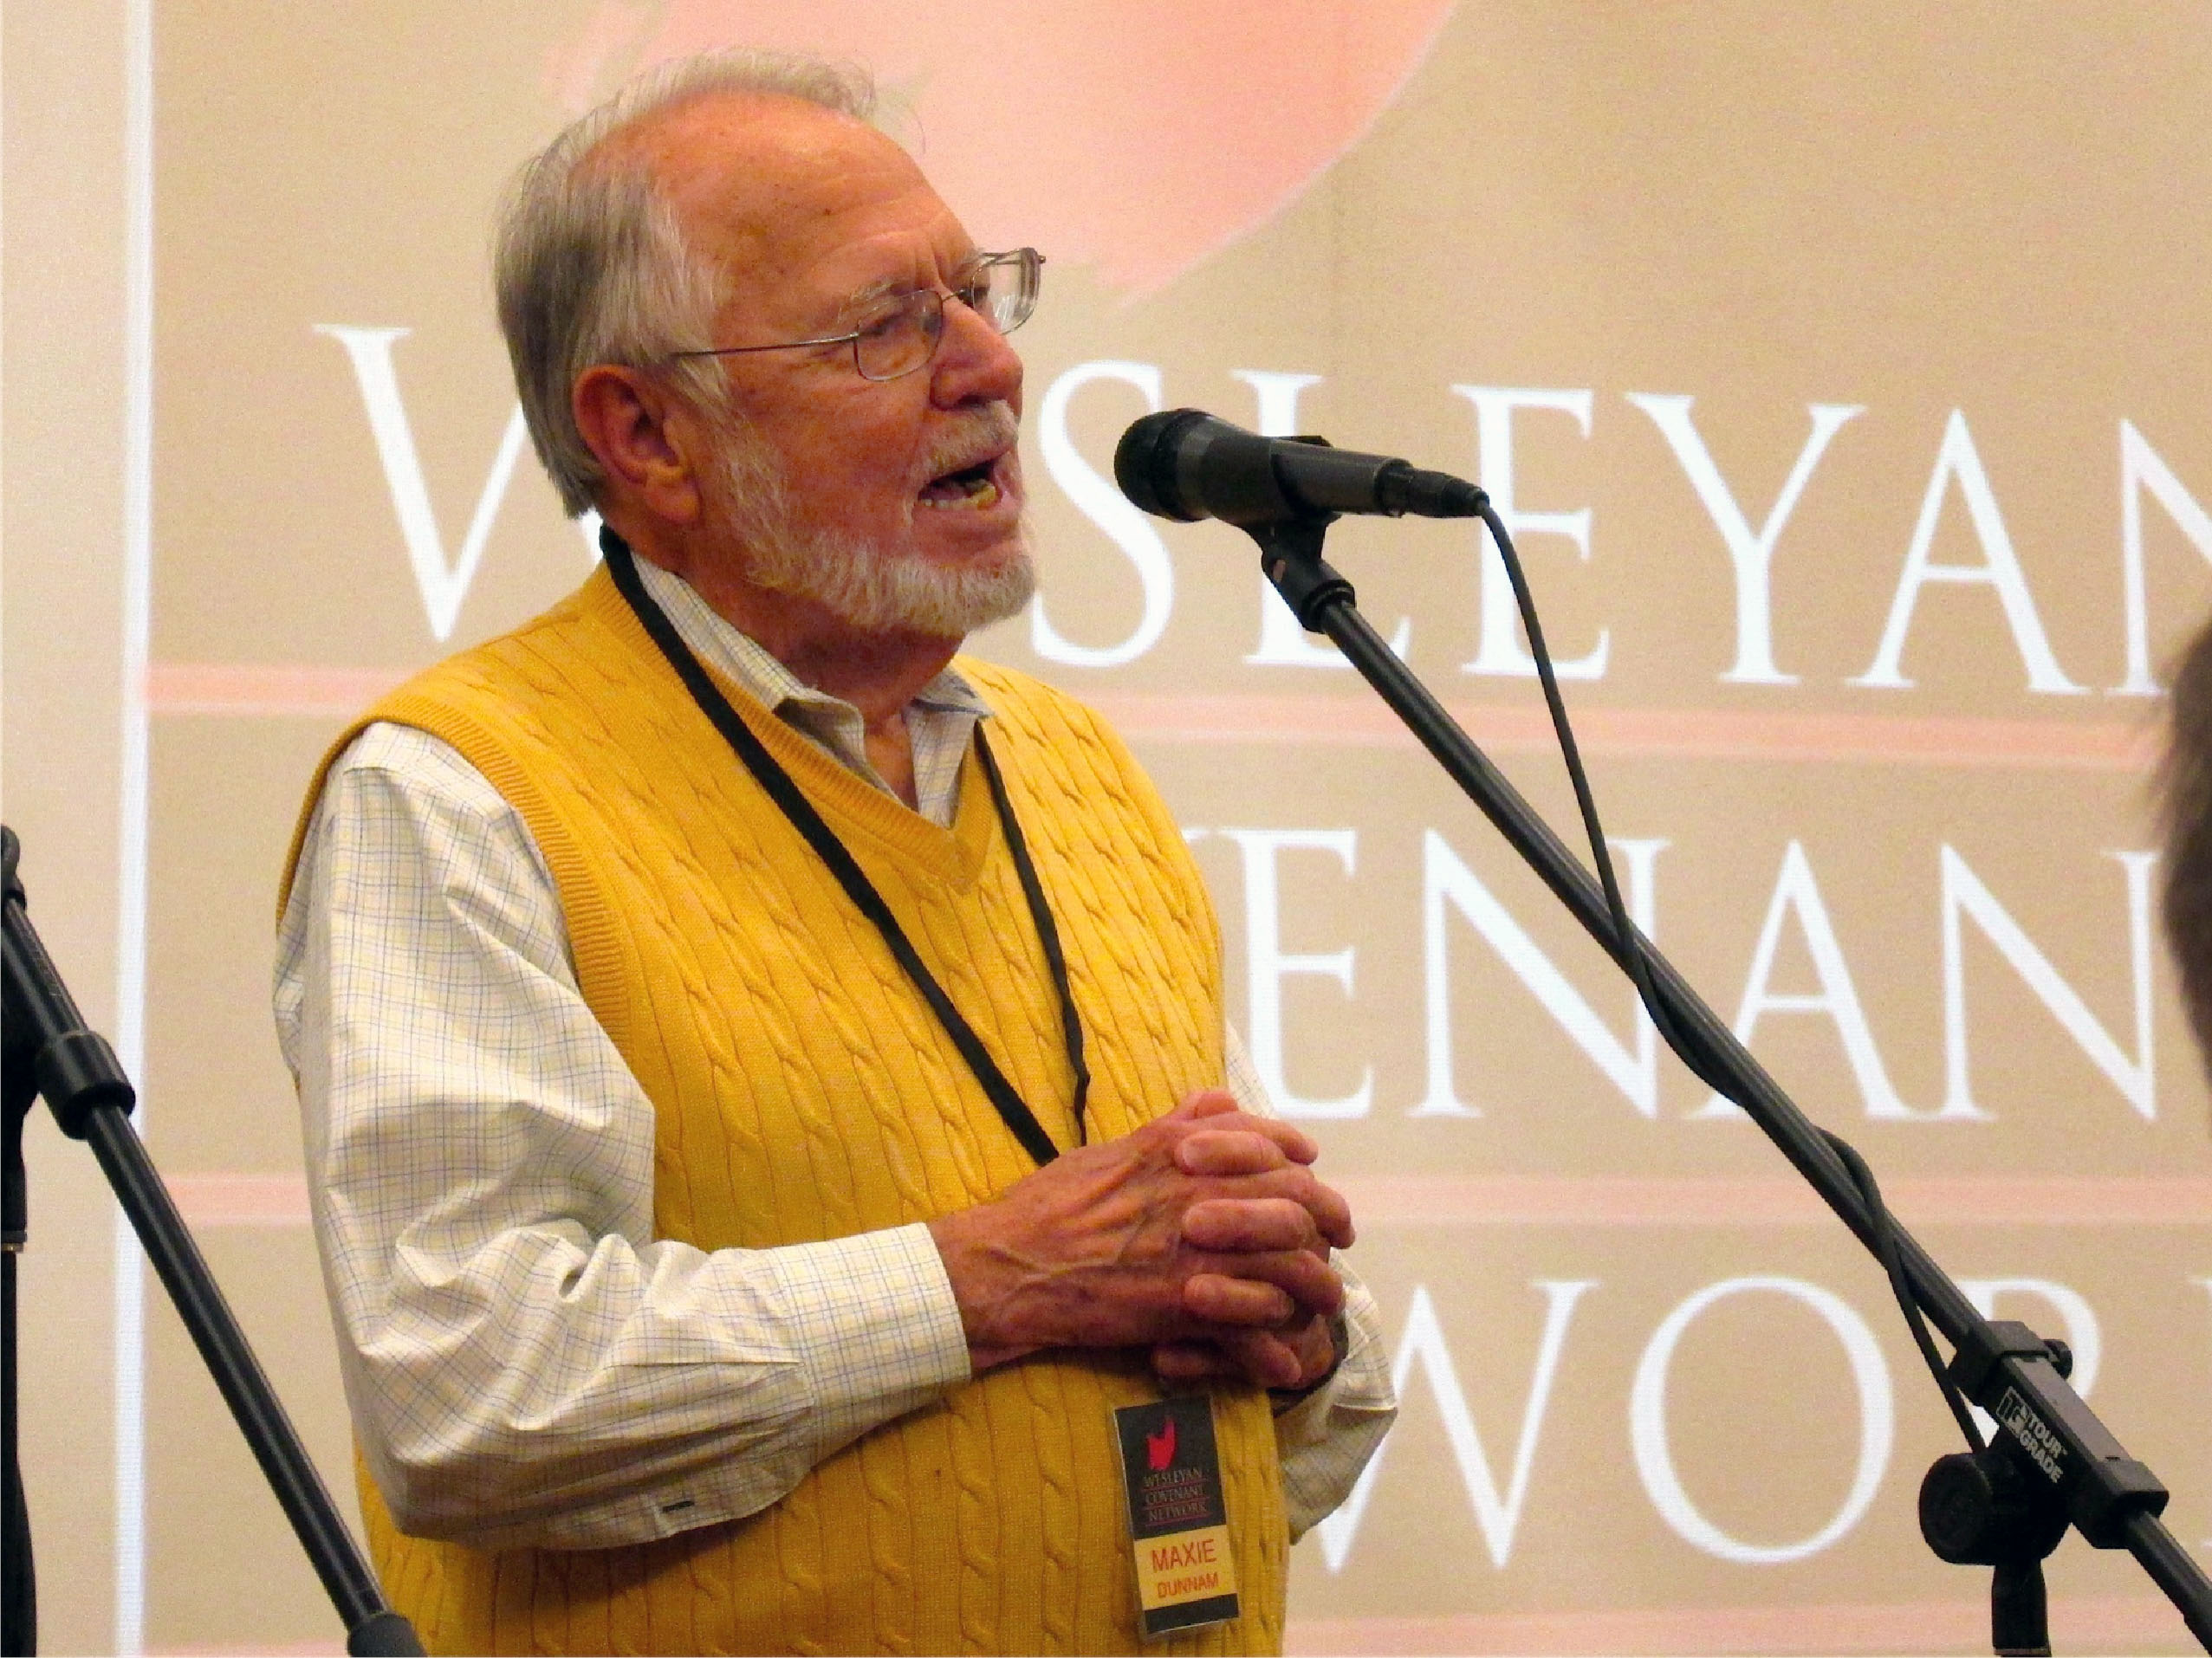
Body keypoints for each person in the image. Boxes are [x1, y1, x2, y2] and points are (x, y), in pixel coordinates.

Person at [274, 49, 1394, 1657]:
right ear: (647, 435)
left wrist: (1287, 1337)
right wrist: (994, 1279)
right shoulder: (458, 791)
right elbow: (472, 1389)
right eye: (884, 323)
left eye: (976, 291)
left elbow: (1240, 1418)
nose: (991, 365)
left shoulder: (1075, 771)